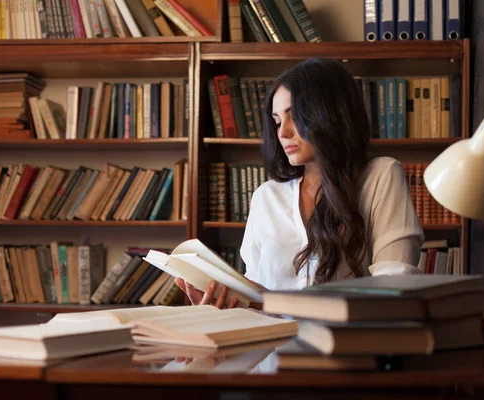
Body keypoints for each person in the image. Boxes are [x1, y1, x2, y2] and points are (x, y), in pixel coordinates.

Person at [175, 58, 424, 308]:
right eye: (276, 121)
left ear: (331, 114)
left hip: (346, 344)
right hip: (273, 345)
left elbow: (394, 286)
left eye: (294, 116)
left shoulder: (380, 176)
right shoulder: (266, 196)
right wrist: (226, 302)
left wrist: (274, 303)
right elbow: (256, 294)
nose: (282, 132)